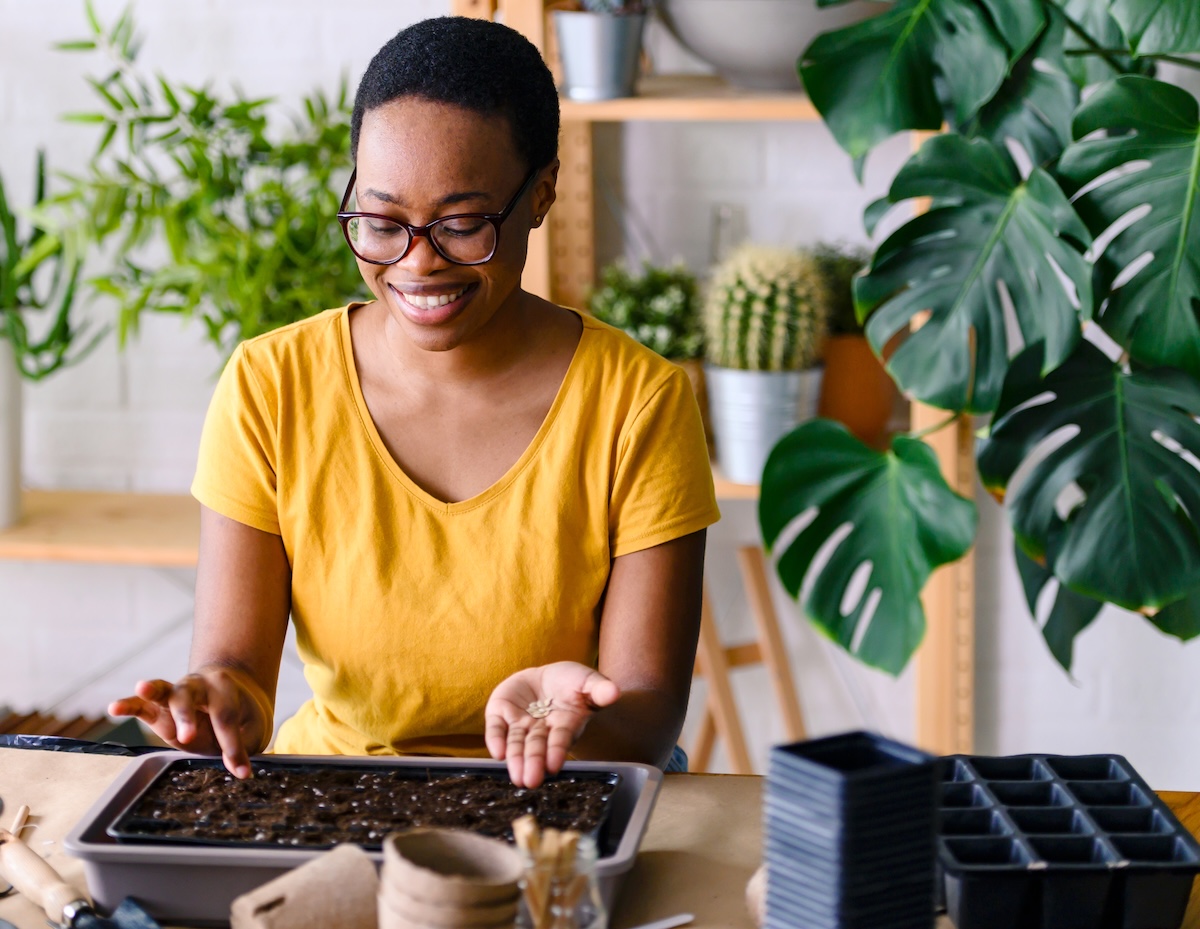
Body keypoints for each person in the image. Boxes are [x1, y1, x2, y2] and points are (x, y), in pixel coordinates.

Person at [109, 16, 719, 789]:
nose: (417, 263)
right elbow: (239, 673)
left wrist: (581, 724)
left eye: (463, 224)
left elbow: (648, 711)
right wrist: (216, 704)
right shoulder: (271, 385)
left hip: (556, 792)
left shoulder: (638, 403)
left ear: (541, 195)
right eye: (382, 221)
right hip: (335, 793)